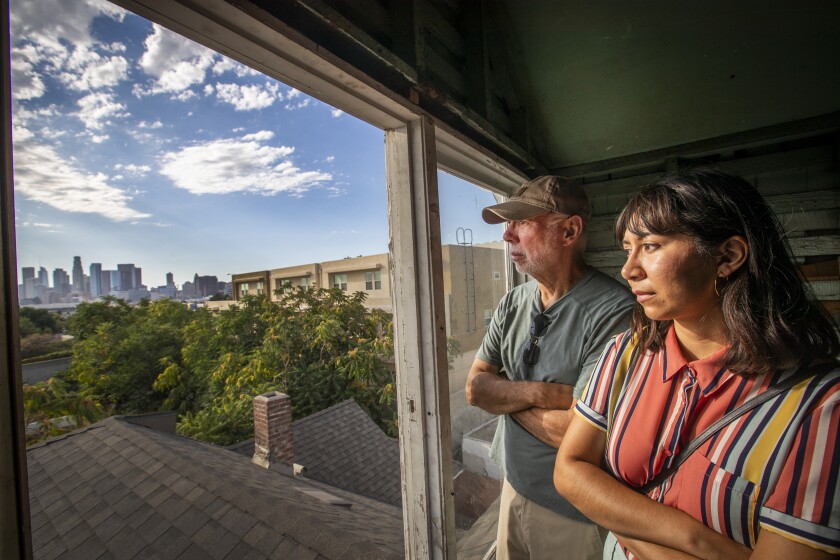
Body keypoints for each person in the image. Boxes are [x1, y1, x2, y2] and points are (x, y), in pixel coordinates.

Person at [554, 169, 840, 560]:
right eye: (627, 248)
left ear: (727, 256)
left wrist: (620, 516)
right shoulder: (627, 353)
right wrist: (701, 543)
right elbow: (570, 471)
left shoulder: (822, 405)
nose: (628, 270)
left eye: (651, 246)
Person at [466, 175, 635, 560]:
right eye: (509, 225)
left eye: (522, 222)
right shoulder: (513, 302)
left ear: (570, 230)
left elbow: (586, 436)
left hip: (573, 514)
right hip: (512, 488)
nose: (508, 235)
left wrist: (505, 395)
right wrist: (541, 394)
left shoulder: (615, 313)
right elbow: (475, 389)